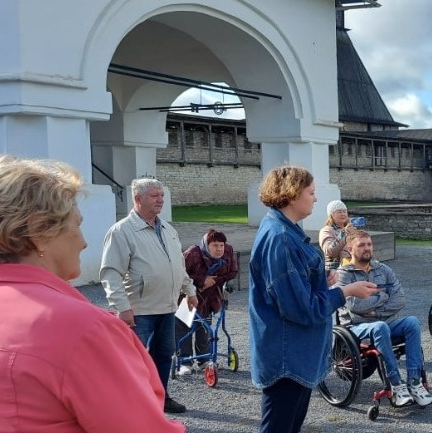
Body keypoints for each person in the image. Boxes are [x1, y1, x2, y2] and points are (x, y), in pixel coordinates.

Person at [0, 154, 185, 432]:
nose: (84, 242)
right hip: (141, 307)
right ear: (39, 232)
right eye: (76, 224)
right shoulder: (83, 328)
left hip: (166, 303)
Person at [249, 165, 379, 433]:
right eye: (311, 192)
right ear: (292, 194)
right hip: (287, 355)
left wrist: (319, 279)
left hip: (294, 353)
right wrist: (346, 291)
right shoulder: (281, 238)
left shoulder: (283, 229)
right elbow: (302, 308)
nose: (315, 198)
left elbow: (290, 288)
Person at [101, 178, 198, 414]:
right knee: (132, 360)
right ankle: (129, 407)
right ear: (137, 199)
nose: (160, 200)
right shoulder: (122, 231)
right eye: (155, 196)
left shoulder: (168, 229)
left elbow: (178, 265)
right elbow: (111, 273)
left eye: (162, 195)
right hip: (139, 311)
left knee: (164, 355)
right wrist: (122, 306)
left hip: (166, 307)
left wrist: (190, 291)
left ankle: (160, 398)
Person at [336, 229, 432, 407]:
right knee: (379, 327)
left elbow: (400, 299)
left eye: (369, 244)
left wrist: (376, 311)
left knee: (412, 322)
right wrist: (383, 295)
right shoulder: (344, 274)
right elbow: (355, 306)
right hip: (355, 326)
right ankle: (396, 384)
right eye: (361, 245)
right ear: (350, 249)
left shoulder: (383, 269)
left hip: (382, 321)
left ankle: (414, 382)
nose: (367, 248)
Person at [175, 229, 239, 375]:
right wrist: (201, 280)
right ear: (206, 245)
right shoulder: (193, 254)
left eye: (221, 245)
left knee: (204, 327)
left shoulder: (228, 251)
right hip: (187, 294)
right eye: (215, 245)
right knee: (184, 326)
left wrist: (214, 281)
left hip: (210, 296)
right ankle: (185, 362)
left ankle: (204, 360)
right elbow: (179, 274)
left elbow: (233, 272)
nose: (219, 249)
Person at [319, 199, 352, 270]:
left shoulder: (350, 229)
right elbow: (329, 251)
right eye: (339, 212)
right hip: (334, 270)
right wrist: (344, 234)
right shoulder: (326, 231)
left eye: (344, 211)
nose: (343, 214)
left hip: (351, 267)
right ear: (331, 215)